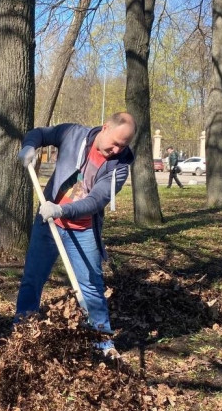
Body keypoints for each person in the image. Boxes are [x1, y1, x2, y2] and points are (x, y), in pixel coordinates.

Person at [15, 112, 137, 360]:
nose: (116, 150)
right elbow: (41, 133)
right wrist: (30, 145)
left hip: (82, 229)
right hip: (47, 225)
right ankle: (22, 332)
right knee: (32, 280)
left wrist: (61, 209)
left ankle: (103, 342)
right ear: (105, 128)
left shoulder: (120, 167)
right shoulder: (73, 134)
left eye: (122, 146)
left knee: (91, 286)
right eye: (114, 142)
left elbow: (95, 201)